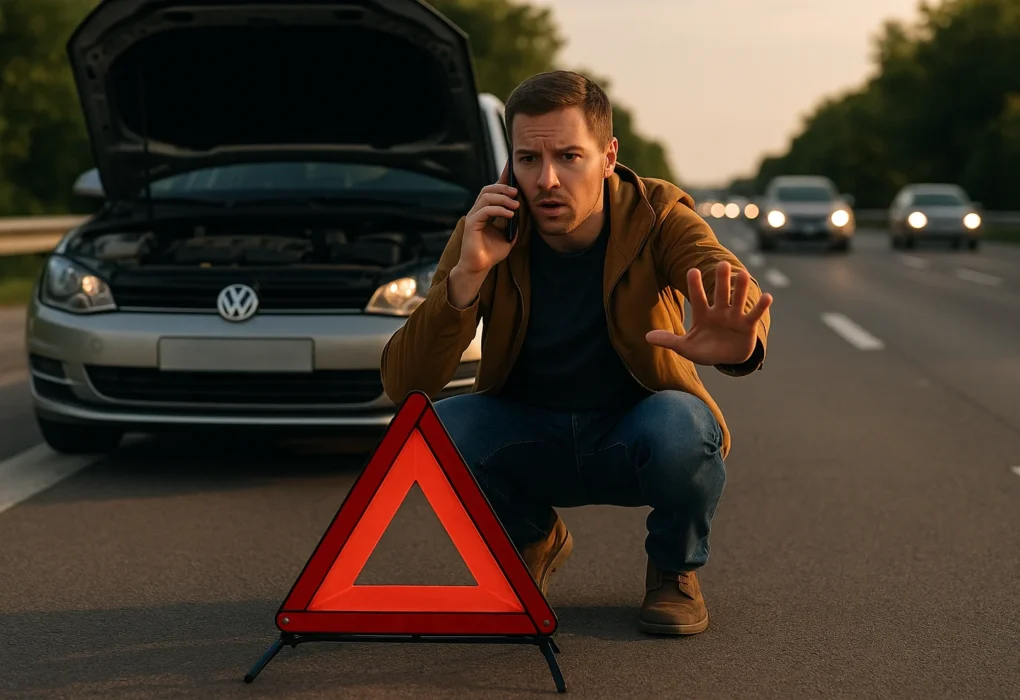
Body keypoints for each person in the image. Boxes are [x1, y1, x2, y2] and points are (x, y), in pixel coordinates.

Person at [380, 70, 772, 635]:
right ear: (509, 163)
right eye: (528, 160)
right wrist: (467, 276)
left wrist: (741, 341)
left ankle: (672, 570)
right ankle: (533, 539)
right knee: (435, 431)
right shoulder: (486, 230)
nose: (547, 181)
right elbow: (405, 384)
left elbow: (727, 279)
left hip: (632, 431)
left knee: (683, 426)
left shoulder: (657, 214)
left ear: (608, 155)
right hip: (529, 431)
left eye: (569, 156)